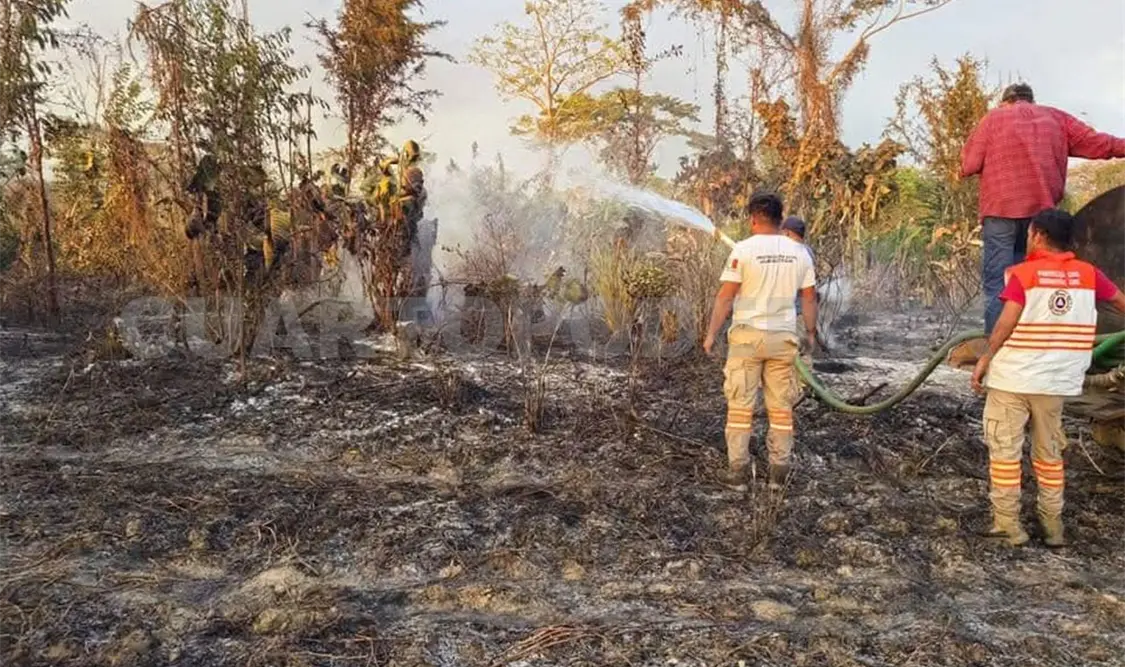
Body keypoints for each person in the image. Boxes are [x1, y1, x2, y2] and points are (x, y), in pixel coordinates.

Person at [971, 208, 1125, 547]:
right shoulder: (1090, 275)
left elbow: (1006, 323)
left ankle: (1009, 525)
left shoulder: (1024, 275)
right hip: (1056, 383)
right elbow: (1120, 303)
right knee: (1050, 452)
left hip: (1014, 379)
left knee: (1005, 451)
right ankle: (1053, 526)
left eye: (1029, 234)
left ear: (1038, 235)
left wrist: (985, 356)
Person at [961, 82, 1125, 334]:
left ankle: (997, 348)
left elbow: (970, 164)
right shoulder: (1056, 118)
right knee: (1042, 281)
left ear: (1006, 101)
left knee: (999, 285)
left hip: (1000, 212)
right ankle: (1039, 337)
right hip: (1042, 218)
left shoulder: (993, 119)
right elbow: (1099, 144)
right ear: (1031, 100)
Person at [704, 192, 818, 489]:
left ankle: (738, 474)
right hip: (783, 339)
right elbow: (808, 298)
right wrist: (810, 333)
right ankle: (778, 474)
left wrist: (711, 334)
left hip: (747, 338)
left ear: (753, 219)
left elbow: (725, 296)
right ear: (781, 219)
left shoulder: (743, 250)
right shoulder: (800, 252)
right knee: (781, 409)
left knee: (740, 407)